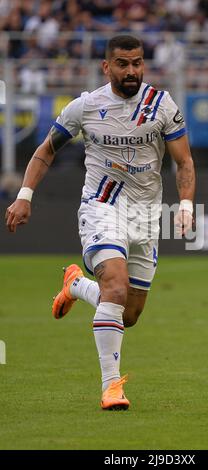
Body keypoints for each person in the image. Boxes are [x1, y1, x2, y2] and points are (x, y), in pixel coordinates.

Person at [5, 35, 195, 411]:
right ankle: (111, 388)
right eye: (123, 64)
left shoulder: (161, 105)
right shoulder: (85, 107)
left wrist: (186, 205)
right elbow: (44, 152)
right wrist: (24, 196)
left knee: (129, 314)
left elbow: (184, 161)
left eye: (137, 63)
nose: (131, 71)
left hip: (145, 216)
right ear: (106, 67)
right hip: (101, 206)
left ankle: (76, 285)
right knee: (115, 285)